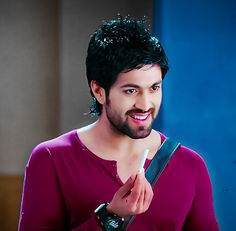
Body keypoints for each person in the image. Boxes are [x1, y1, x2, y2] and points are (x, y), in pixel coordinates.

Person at [18, 16, 219, 231]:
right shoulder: (51, 159)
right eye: (131, 90)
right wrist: (110, 216)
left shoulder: (190, 166)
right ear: (98, 91)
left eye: (154, 88)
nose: (145, 104)